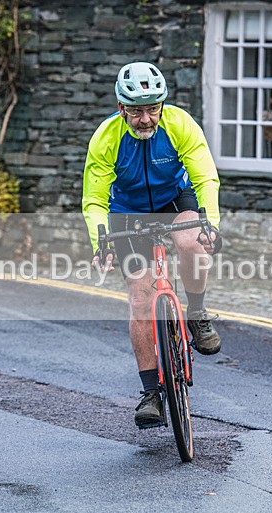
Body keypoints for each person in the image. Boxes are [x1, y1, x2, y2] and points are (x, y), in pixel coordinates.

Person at [82, 62, 222, 428]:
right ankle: (151, 392)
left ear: (162, 105)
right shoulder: (106, 138)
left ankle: (197, 313)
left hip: (173, 201)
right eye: (136, 110)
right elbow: (94, 199)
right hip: (127, 212)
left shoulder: (180, 125)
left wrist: (212, 225)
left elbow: (205, 177)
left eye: (152, 108)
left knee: (192, 243)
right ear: (120, 108)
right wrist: (101, 241)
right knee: (141, 296)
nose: (145, 119)